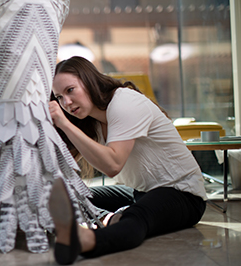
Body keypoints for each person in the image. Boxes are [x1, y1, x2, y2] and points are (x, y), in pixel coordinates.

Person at [47, 56, 207, 264]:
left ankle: (87, 239)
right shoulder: (91, 121)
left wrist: (64, 124)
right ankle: (111, 219)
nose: (66, 103)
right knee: (79, 195)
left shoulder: (124, 102)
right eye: (59, 98)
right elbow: (60, 161)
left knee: (138, 218)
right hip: (141, 192)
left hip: (183, 194)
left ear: (89, 81)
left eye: (70, 90)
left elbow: (113, 165)